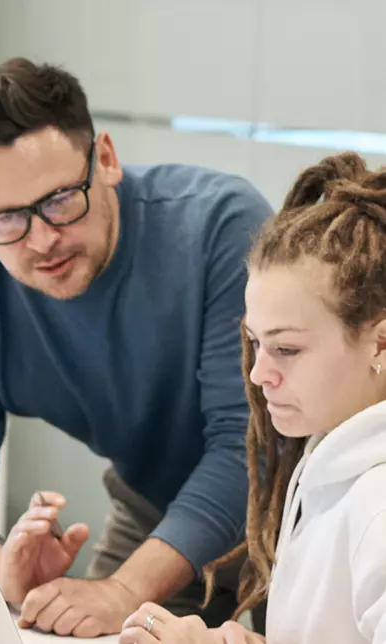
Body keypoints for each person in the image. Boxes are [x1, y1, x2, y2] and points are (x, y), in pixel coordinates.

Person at [0, 57, 273, 638]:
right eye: (4, 218)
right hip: (155, 505)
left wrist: (124, 590)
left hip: (302, 501)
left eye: (58, 200)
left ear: (105, 158)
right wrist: (6, 570)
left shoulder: (219, 229)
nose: (42, 239)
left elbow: (248, 446)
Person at [120, 151, 386, 644]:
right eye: (254, 343)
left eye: (286, 348)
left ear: (381, 343)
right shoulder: (327, 463)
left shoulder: (377, 503)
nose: (261, 373)